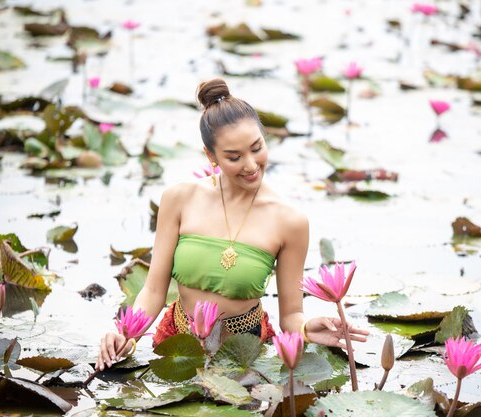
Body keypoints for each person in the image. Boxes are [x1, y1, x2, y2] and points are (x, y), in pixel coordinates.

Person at [95, 78, 368, 371]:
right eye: (234, 157)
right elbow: (153, 291)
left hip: (246, 353)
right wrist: (126, 334)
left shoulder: (290, 222)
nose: (251, 165)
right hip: (178, 344)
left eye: (257, 148)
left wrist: (307, 328)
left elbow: (290, 315)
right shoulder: (179, 199)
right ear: (211, 156)